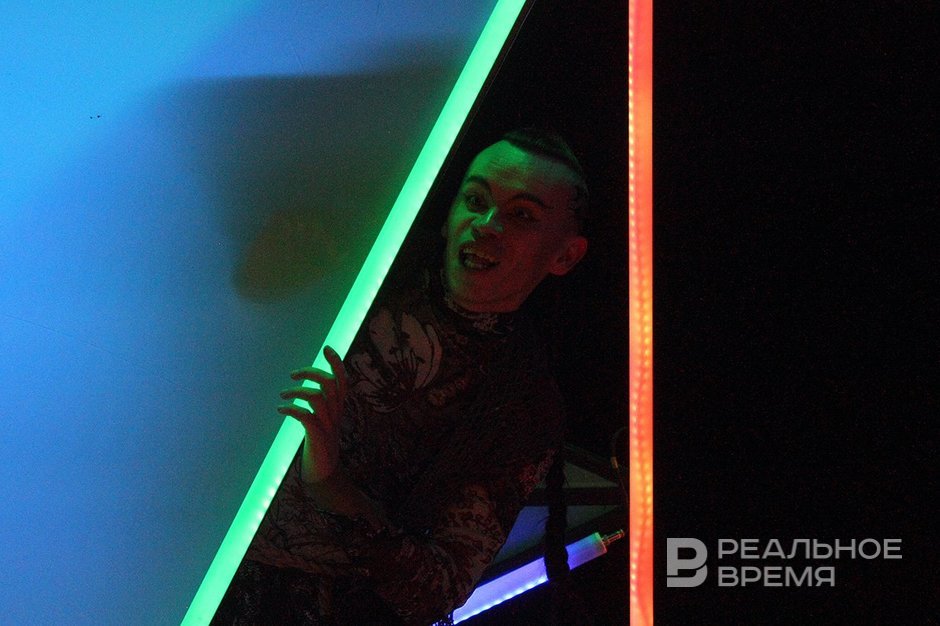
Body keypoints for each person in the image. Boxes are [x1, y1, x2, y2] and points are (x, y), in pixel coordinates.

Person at [214, 128, 589, 625]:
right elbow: (234, 297)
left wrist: (330, 483)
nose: (486, 225)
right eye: (476, 200)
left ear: (565, 255)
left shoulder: (521, 404)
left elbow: (438, 588)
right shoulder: (367, 265)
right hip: (181, 548)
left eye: (522, 215)